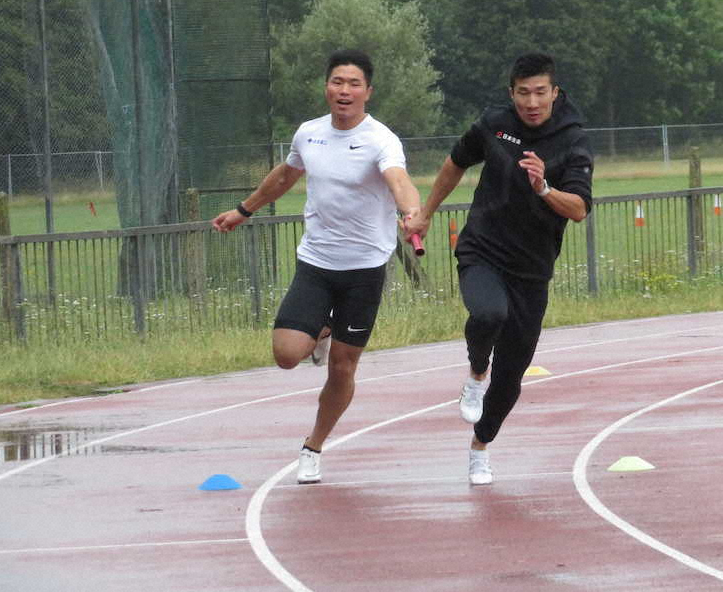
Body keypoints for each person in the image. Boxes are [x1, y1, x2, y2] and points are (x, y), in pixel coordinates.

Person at [212, 49, 422, 484]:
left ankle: (314, 446)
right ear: (327, 87)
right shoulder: (309, 134)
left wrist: (411, 213)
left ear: (368, 91)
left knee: (342, 367)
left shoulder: (381, 139)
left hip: (364, 270)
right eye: (337, 83)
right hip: (317, 263)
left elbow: (399, 181)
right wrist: (242, 210)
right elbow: (286, 177)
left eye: (354, 84)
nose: (344, 92)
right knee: (287, 355)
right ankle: (321, 329)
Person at [413, 52, 593, 485]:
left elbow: (580, 209)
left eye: (540, 93)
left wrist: (545, 187)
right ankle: (476, 372)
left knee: (511, 377)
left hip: (532, 269)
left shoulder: (572, 138)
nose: (532, 103)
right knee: (488, 313)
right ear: (511, 93)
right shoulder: (494, 123)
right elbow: (456, 160)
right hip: (483, 249)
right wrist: (426, 212)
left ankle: (480, 447)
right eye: (523, 93)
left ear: (555, 92)